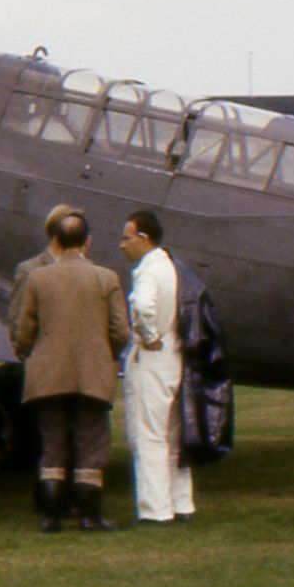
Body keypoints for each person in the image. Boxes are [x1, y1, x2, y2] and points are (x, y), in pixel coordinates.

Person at [10, 210, 129, 533]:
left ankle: (50, 515)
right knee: (91, 445)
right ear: (87, 242)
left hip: (48, 374)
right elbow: (121, 331)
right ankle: (90, 517)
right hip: (92, 373)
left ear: (57, 242)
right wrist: (106, 355)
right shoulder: (106, 278)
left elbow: (23, 330)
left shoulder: (37, 278)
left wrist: (29, 354)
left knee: (52, 444)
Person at [120, 208, 195, 525]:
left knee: (147, 434)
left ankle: (155, 509)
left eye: (126, 238)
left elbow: (141, 304)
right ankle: (181, 502)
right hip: (174, 355)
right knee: (172, 435)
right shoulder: (169, 266)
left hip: (152, 357)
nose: (122, 245)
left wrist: (147, 335)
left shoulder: (148, 271)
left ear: (143, 237)